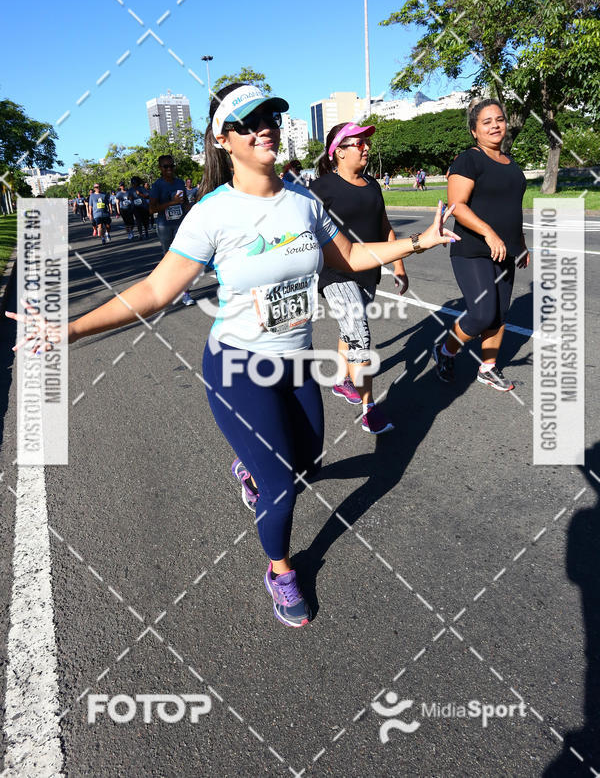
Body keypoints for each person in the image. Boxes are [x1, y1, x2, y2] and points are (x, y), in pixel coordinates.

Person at [11, 83, 458, 629]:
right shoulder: (212, 214)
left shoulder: (304, 201)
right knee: (283, 489)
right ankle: (281, 570)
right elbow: (156, 291)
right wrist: (74, 329)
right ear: (225, 141)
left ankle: (250, 465)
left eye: (270, 115)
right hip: (237, 365)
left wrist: (417, 243)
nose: (264, 126)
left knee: (309, 460)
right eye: (248, 122)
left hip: (294, 361)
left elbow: (350, 257)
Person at [311, 122, 409, 435]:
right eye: (358, 143)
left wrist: (400, 266)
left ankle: (342, 380)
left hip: (369, 271)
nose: (365, 147)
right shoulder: (321, 189)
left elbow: (385, 228)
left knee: (350, 329)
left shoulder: (372, 185)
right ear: (337, 152)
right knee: (360, 333)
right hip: (335, 273)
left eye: (366, 142)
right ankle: (369, 407)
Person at [432, 98, 529, 391]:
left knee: (499, 314)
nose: (495, 126)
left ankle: (487, 368)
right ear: (474, 130)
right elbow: (457, 206)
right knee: (482, 313)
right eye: (487, 122)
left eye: (499, 119)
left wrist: (520, 243)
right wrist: (489, 233)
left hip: (505, 250)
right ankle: (446, 350)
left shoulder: (511, 164)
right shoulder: (469, 159)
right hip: (473, 249)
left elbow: (513, 207)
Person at [149, 155, 194, 306]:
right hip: (165, 226)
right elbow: (152, 209)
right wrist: (171, 203)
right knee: (169, 259)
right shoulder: (157, 186)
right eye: (165, 167)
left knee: (185, 258)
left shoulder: (180, 182)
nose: (169, 169)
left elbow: (185, 204)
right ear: (160, 169)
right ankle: (168, 289)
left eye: (171, 166)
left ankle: (186, 293)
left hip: (181, 224)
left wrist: (195, 208)